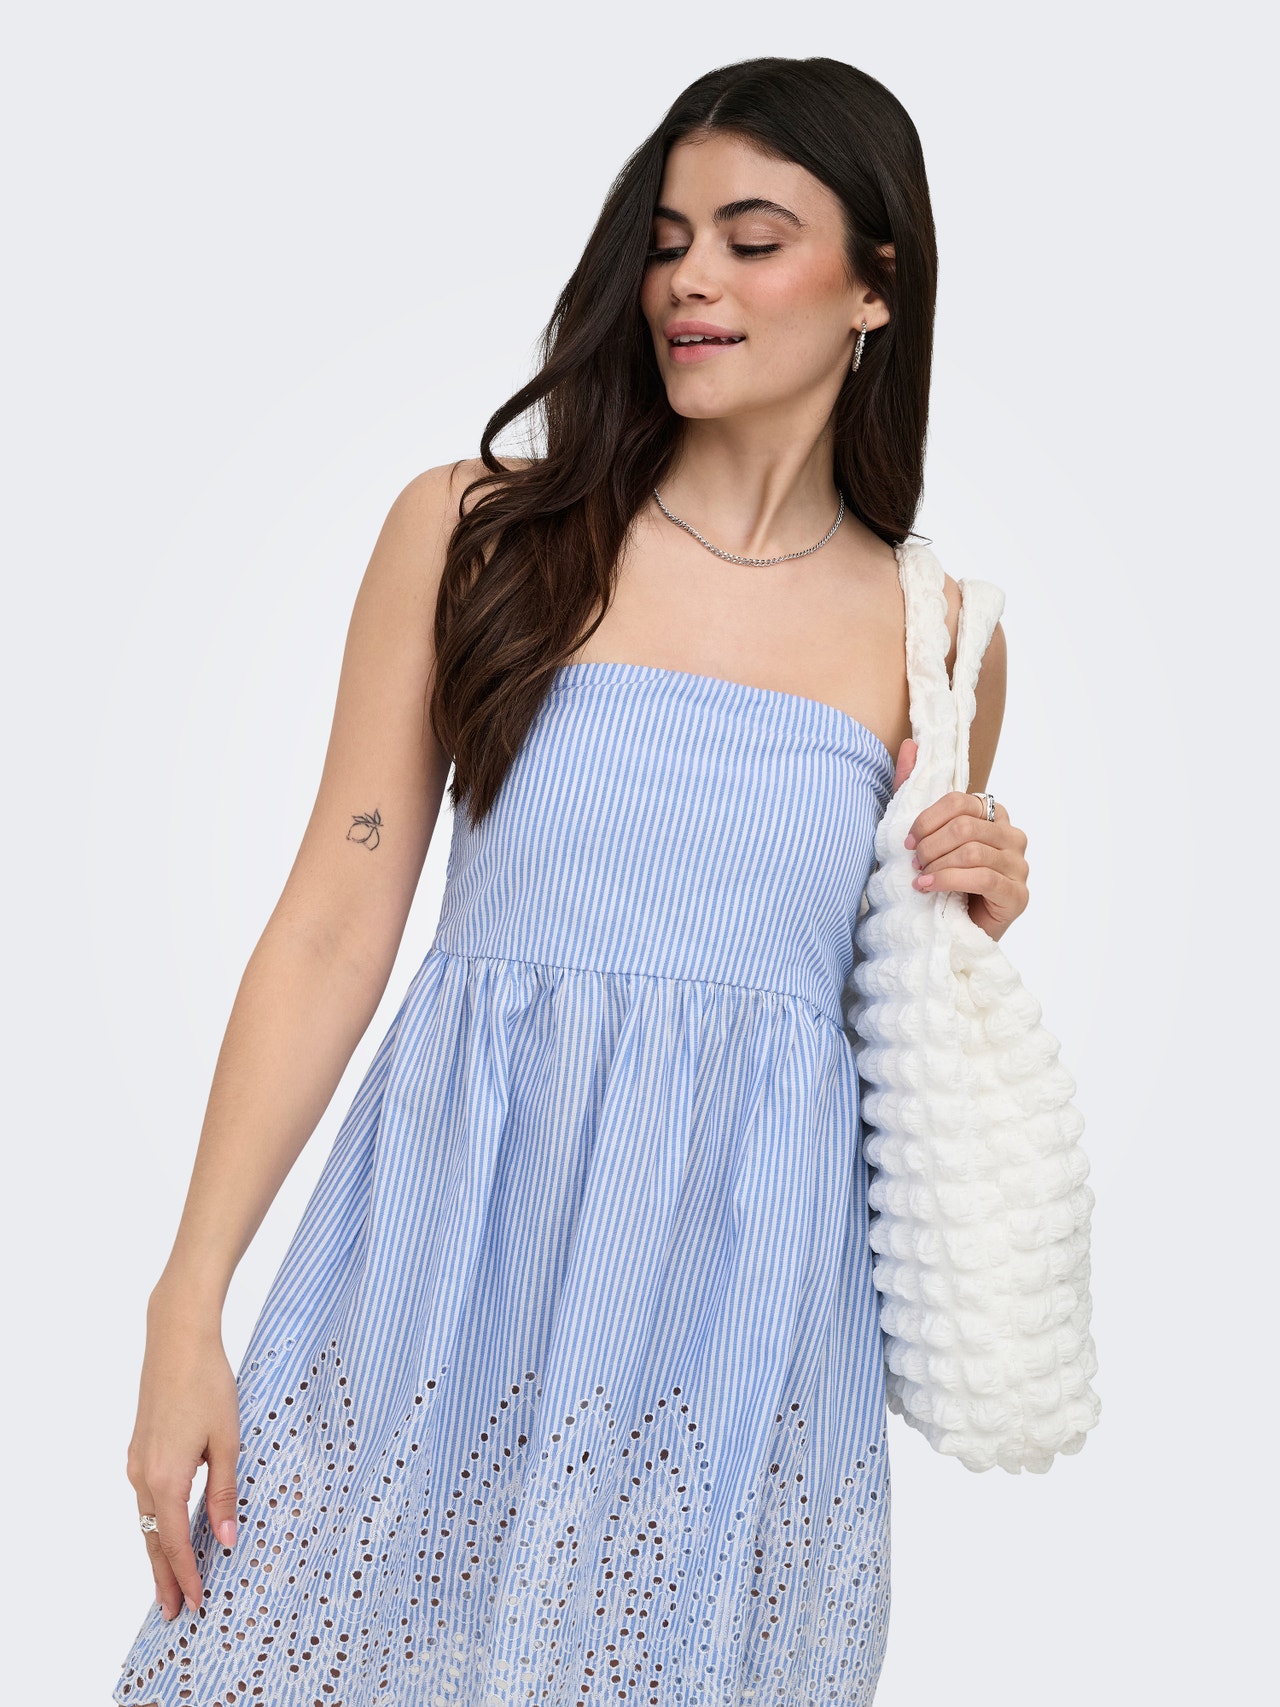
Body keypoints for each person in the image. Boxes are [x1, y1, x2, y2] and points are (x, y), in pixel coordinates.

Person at [114, 54, 1028, 1707]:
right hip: (443, 1264)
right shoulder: (476, 532)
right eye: (669, 240)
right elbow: (332, 922)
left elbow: (869, 1025)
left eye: (754, 240)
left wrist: (965, 913)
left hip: (731, 1330)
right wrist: (190, 1300)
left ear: (875, 287)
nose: (691, 279)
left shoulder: (938, 636)